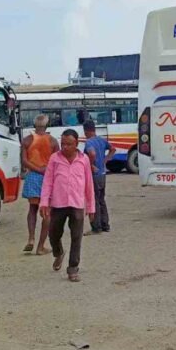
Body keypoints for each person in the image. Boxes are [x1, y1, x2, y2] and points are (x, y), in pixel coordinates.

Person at [40, 129, 95, 282]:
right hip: (58, 203)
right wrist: (44, 202)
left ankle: (73, 268)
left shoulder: (83, 160)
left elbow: (89, 185)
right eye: (63, 144)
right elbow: (48, 181)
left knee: (76, 237)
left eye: (69, 144)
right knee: (53, 233)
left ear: (76, 144)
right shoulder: (54, 159)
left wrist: (91, 207)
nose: (65, 147)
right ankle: (58, 253)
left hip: (77, 204)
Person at [20, 114, 58, 255]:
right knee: (47, 213)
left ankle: (31, 238)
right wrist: (45, 170)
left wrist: (36, 169)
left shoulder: (27, 140)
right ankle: (41, 246)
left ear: (34, 125)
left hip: (32, 177)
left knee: (32, 209)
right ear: (47, 126)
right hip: (47, 178)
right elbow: (57, 162)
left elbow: (24, 161)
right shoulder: (53, 141)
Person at [82, 120, 116, 235]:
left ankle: (96, 227)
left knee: (94, 200)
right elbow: (113, 149)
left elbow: (92, 154)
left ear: (86, 131)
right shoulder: (101, 140)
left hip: (94, 175)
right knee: (102, 199)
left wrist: (90, 165)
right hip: (102, 174)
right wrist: (105, 160)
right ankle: (105, 225)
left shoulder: (89, 143)